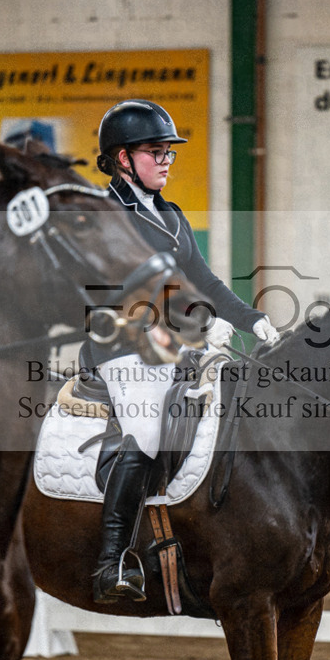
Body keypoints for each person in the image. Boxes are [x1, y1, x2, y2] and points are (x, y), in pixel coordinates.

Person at [88, 99, 279, 603]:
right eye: (156, 151)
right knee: (147, 428)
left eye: (169, 151)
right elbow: (134, 288)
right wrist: (198, 323)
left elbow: (206, 284)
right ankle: (112, 562)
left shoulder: (171, 215)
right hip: (121, 347)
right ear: (123, 158)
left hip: (172, 347)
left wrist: (250, 318)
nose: (167, 160)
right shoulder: (106, 215)